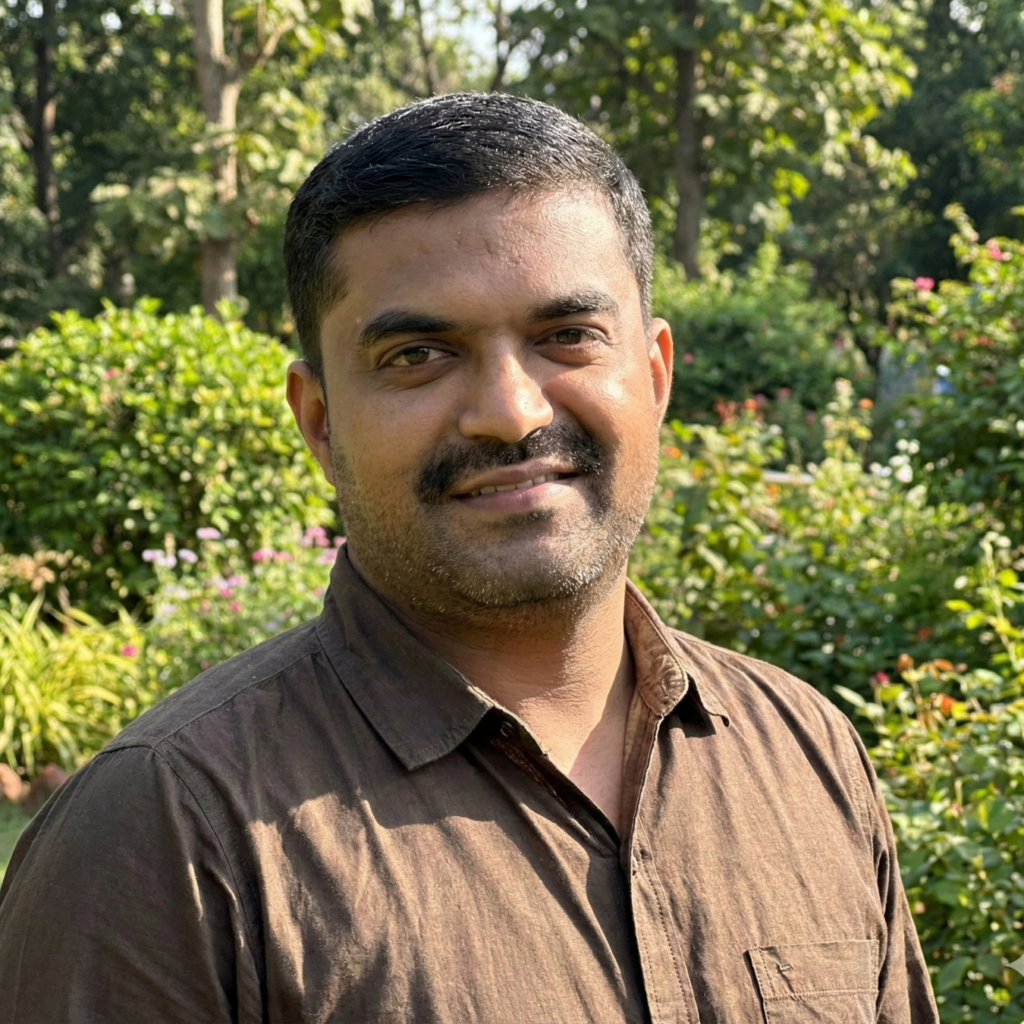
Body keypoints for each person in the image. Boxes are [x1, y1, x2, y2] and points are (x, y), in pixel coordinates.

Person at [0, 92, 938, 1024]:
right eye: (419, 354)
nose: (512, 413)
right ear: (319, 422)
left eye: (566, 337)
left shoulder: (805, 755)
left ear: (654, 375)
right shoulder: (167, 833)